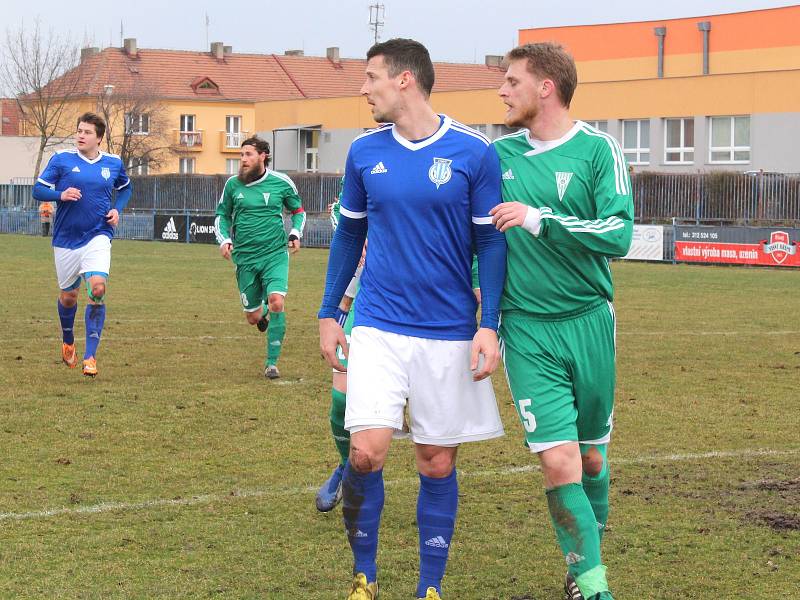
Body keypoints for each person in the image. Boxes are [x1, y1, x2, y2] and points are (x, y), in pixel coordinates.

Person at [318, 38, 507, 600]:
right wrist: (330, 313)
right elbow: (350, 234)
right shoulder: (363, 153)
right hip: (376, 323)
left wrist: (488, 323)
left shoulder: (474, 153)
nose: (363, 87)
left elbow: (490, 244)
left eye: (371, 76)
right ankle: (365, 579)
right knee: (365, 450)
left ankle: (430, 587)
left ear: (405, 80)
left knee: (435, 462)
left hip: (448, 329)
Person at [490, 43, 634, 600]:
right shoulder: (498, 158)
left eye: (511, 81)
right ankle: (595, 587)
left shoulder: (599, 152)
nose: (502, 91)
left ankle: (580, 567)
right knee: (559, 459)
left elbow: (618, 235)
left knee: (592, 456)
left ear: (545, 86)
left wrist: (538, 219)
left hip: (590, 321)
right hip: (526, 327)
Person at [32, 112, 131, 377]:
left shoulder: (113, 162)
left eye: (86, 132)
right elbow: (38, 190)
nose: (80, 136)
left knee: (97, 289)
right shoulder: (62, 160)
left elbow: (125, 188)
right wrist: (59, 194)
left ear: (99, 138)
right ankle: (68, 339)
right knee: (68, 297)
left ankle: (90, 357)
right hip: (66, 240)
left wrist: (117, 209)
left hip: (99, 234)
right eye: (78, 131)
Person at [214, 136, 305, 379]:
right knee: (253, 317)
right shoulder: (233, 185)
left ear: (263, 155)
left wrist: (295, 232)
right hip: (245, 258)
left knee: (277, 300)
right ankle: (262, 313)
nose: (243, 160)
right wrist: (224, 239)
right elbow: (222, 216)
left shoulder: (281, 182)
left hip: (275, 254)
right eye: (241, 155)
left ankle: (271, 363)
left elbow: (298, 211)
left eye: (248, 155)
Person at [315, 188, 361, 512]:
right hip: (366, 303)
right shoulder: (365, 157)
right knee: (341, 399)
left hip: (427, 310)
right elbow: (339, 213)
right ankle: (348, 467)